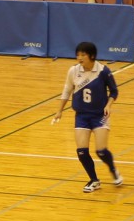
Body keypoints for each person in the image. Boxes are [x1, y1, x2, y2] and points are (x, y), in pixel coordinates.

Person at [53, 42, 123, 193]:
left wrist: (108, 105)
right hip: (82, 116)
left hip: (100, 116)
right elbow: (67, 90)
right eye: (78, 54)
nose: (79, 58)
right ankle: (94, 180)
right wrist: (59, 111)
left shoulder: (103, 71)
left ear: (91, 56)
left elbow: (114, 91)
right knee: (82, 152)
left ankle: (113, 170)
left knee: (101, 151)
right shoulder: (73, 71)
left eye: (83, 55)